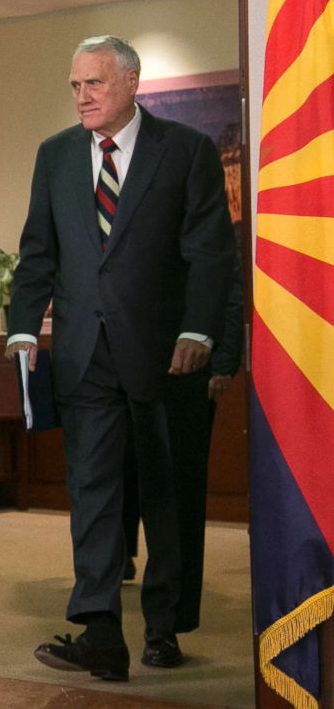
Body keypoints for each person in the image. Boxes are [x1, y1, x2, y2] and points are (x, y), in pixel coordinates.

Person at [4, 35, 235, 681]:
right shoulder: (54, 157)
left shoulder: (185, 152)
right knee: (94, 494)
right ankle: (101, 631)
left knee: (168, 496)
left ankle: (164, 627)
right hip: (84, 356)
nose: (81, 96)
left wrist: (199, 331)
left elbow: (210, 254)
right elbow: (37, 256)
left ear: (132, 82)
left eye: (94, 84)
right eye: (74, 85)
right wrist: (23, 329)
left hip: (168, 359)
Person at [122, 252, 245, 638]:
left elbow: (226, 284)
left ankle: (172, 619)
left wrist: (224, 362)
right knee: (123, 474)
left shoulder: (196, 196)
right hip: (126, 361)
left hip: (186, 367)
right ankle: (121, 560)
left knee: (180, 493)